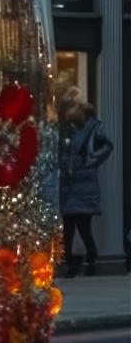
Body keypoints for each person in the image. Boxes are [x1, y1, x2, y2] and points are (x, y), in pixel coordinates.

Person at [58, 97, 113, 276]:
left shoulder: (94, 127)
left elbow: (106, 146)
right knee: (69, 226)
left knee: (81, 226)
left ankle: (90, 259)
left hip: (84, 183)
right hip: (69, 183)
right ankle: (72, 261)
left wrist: (89, 160)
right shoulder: (68, 129)